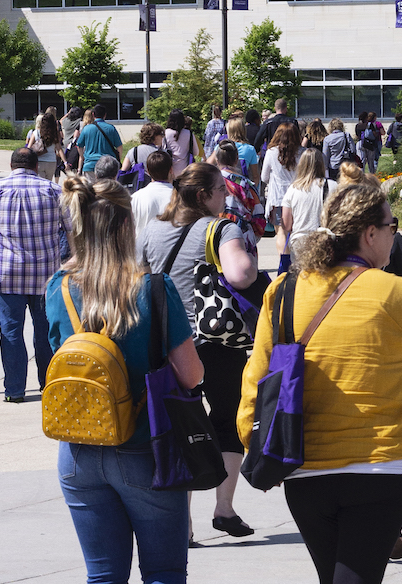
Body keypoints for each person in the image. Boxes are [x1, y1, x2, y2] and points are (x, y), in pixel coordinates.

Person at [238, 183, 402, 584]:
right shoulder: (398, 292)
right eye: (392, 226)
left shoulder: (284, 290)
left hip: (302, 466)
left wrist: (254, 439)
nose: (394, 235)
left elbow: (257, 377)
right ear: (369, 234)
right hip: (380, 468)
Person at [47, 176, 203, 584]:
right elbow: (191, 374)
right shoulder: (153, 288)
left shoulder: (59, 288)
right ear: (127, 225)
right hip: (145, 449)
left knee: (102, 576)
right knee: (164, 572)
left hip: (78, 450)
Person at [140, 162, 258, 545]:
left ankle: (184, 524)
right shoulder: (221, 227)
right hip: (217, 342)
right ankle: (224, 509)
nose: (227, 196)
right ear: (204, 195)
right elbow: (240, 275)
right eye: (222, 190)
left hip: (169, 344)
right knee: (227, 422)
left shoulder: (152, 230)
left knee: (180, 428)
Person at [0, 148, 70, 403]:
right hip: (47, 276)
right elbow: (73, 231)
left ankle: (14, 390)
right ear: (36, 166)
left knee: (11, 331)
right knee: (47, 331)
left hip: (6, 276)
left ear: (11, 165)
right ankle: (50, 385)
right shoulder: (55, 192)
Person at [281, 148, 337, 259]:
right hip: (325, 241)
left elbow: (286, 224)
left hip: (300, 242)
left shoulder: (293, 189)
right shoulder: (333, 186)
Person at [213, 140, 264, 253]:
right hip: (242, 238)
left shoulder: (210, 183)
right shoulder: (246, 184)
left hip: (215, 236)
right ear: (237, 160)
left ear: (217, 160)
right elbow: (258, 215)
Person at [262, 121, 303, 255]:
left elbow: (264, 177)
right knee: (296, 231)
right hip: (298, 197)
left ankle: (284, 264)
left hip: (278, 197)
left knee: (281, 232)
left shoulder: (271, 153)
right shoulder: (303, 153)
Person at [131, 150, 175, 244]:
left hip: (140, 253)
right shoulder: (180, 198)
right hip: (170, 254)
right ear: (171, 170)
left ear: (147, 171)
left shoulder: (135, 198)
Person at [206, 117, 260, 186]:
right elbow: (255, 176)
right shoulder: (250, 149)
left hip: (224, 184)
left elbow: (209, 163)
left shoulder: (221, 147)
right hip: (241, 186)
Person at [76, 104, 123, 181]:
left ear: (93, 114)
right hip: (108, 165)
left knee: (91, 191)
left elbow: (79, 145)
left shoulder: (86, 128)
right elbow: (119, 147)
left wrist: (83, 157)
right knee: (107, 191)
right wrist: (118, 160)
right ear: (105, 115)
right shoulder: (111, 128)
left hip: (90, 164)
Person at [28, 112, 68, 181]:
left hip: (39, 161)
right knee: (48, 183)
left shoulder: (36, 133)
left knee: (40, 184)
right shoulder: (54, 134)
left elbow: (29, 147)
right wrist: (65, 162)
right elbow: (59, 149)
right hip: (51, 162)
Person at [165, 109, 195, 178]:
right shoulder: (189, 133)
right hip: (186, 170)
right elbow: (196, 151)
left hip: (169, 171)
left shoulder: (166, 133)